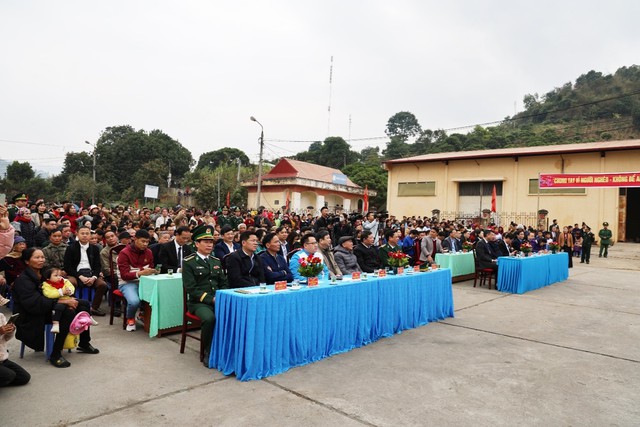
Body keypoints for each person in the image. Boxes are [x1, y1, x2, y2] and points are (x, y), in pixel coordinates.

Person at [13, 248, 99, 368]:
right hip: (32, 314)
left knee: (83, 305)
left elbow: (62, 285)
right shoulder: (23, 280)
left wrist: (69, 297)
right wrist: (63, 302)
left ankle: (84, 343)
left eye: (42, 257)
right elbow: (34, 303)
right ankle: (56, 353)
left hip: (49, 306)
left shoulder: (46, 273)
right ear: (27, 261)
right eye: (37, 257)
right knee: (67, 313)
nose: (41, 260)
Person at [182, 225, 228, 365]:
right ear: (196, 244)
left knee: (233, 315)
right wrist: (211, 299)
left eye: (211, 242)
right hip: (199, 303)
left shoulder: (216, 261)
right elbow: (191, 288)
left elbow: (224, 282)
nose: (209, 245)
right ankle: (208, 351)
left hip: (218, 299)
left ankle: (226, 350)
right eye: (205, 242)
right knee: (209, 318)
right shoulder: (189, 262)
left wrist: (223, 296)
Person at [63, 226, 108, 316]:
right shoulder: (71, 248)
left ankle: (94, 308)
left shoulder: (94, 248)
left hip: (91, 273)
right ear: (77, 234)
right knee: (71, 283)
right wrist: (80, 276)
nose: (84, 236)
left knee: (102, 285)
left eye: (87, 233)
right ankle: (74, 306)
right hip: (76, 274)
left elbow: (97, 266)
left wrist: (94, 277)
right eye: (82, 233)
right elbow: (68, 267)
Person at [117, 229, 156, 332]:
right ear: (135, 239)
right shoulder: (124, 253)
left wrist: (152, 271)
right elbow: (124, 275)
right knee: (134, 301)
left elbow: (150, 268)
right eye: (143, 241)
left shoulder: (149, 252)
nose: (145, 244)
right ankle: (130, 318)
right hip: (127, 283)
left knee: (159, 295)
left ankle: (143, 314)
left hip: (145, 281)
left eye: (147, 242)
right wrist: (140, 273)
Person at [41, 268, 98, 334]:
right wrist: (61, 292)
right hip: (58, 301)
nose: (59, 277)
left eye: (60, 275)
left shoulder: (64, 281)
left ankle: (89, 317)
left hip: (68, 298)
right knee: (59, 307)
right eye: (56, 276)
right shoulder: (46, 285)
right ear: (48, 278)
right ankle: (56, 324)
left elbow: (71, 287)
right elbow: (49, 294)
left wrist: (69, 291)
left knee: (85, 303)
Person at [0, 310, 31, 386]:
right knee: (9, 375)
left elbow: (5, 338)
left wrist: (10, 330)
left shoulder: (1, 316)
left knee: (23, 377)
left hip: (2, 358)